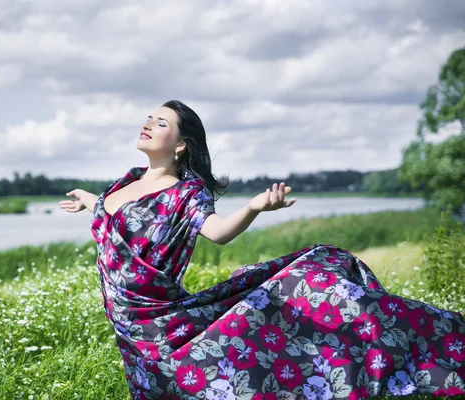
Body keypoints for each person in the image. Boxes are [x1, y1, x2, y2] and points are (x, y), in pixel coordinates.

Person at [59, 100, 465, 400]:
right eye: (148, 117)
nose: (147, 124)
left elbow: (216, 232)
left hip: (157, 320)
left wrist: (253, 207)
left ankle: (434, 347)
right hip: (127, 324)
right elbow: (119, 223)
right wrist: (88, 199)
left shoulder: (187, 193)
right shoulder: (123, 183)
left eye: (160, 122)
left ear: (181, 144)